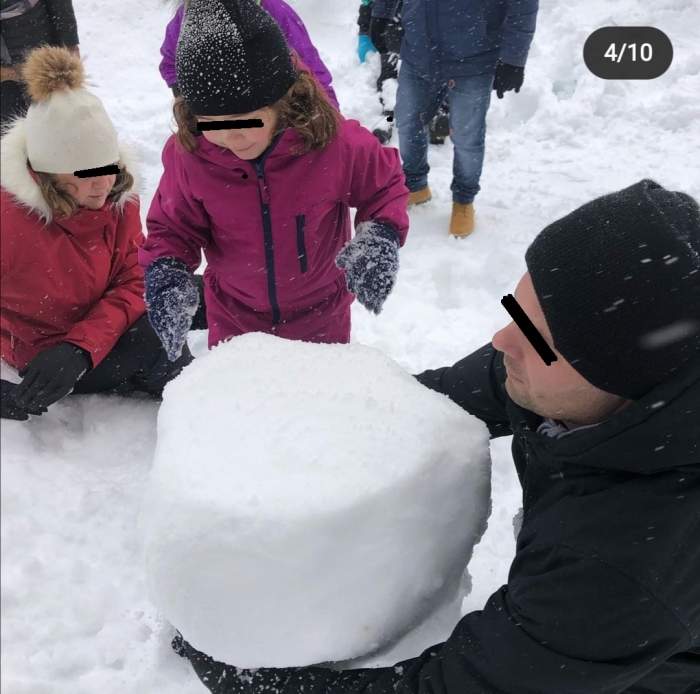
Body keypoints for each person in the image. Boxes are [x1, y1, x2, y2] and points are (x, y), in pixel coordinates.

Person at [171, 179, 700, 694]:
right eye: (518, 310)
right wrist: (305, 418)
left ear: (628, 387)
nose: (502, 341)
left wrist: (253, 677)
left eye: (538, 339)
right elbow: (430, 400)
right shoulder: (566, 376)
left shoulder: (622, 569)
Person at [140, 0, 409, 363]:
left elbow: (383, 184)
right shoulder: (190, 157)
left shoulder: (332, 143)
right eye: (214, 126)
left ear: (281, 102)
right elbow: (173, 226)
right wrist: (167, 271)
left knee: (316, 402)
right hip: (235, 318)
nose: (233, 140)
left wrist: (380, 234)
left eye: (247, 121)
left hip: (321, 315)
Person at [0, 46, 191, 421]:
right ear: (47, 172)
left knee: (179, 290)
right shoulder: (9, 219)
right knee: (160, 338)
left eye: (109, 167)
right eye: (84, 173)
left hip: (94, 339)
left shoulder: (119, 197)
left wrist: (81, 348)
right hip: (43, 362)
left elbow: (134, 277)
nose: (102, 184)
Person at [371, 0, 538, 237]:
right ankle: (415, 185)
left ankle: (463, 200)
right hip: (418, 49)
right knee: (408, 123)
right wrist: (381, 13)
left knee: (467, 137)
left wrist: (514, 58)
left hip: (474, 57)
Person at [159, 0, 339, 109]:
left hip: (277, 119)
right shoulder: (185, 19)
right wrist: (189, 104)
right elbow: (170, 63)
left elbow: (310, 66)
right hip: (217, 130)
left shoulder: (273, 10)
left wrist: (329, 116)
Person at [357, 0, 448, 146]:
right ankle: (388, 118)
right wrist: (364, 30)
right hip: (392, 23)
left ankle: (438, 114)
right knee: (390, 71)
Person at [0, 0, 80, 129]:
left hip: (43, 51)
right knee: (10, 133)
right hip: (5, 82)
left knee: (62, 124)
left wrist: (70, 43)